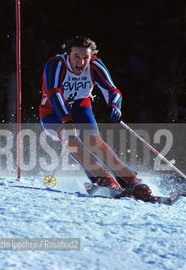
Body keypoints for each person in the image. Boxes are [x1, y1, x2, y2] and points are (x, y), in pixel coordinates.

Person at [40, 36, 159, 202]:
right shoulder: (56, 64)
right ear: (68, 55)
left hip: (80, 109)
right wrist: (66, 119)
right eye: (77, 57)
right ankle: (103, 178)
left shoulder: (95, 66)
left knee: (94, 142)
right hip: (52, 113)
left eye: (85, 58)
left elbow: (112, 90)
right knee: (71, 139)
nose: (81, 63)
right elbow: (54, 92)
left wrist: (115, 106)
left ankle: (132, 181)